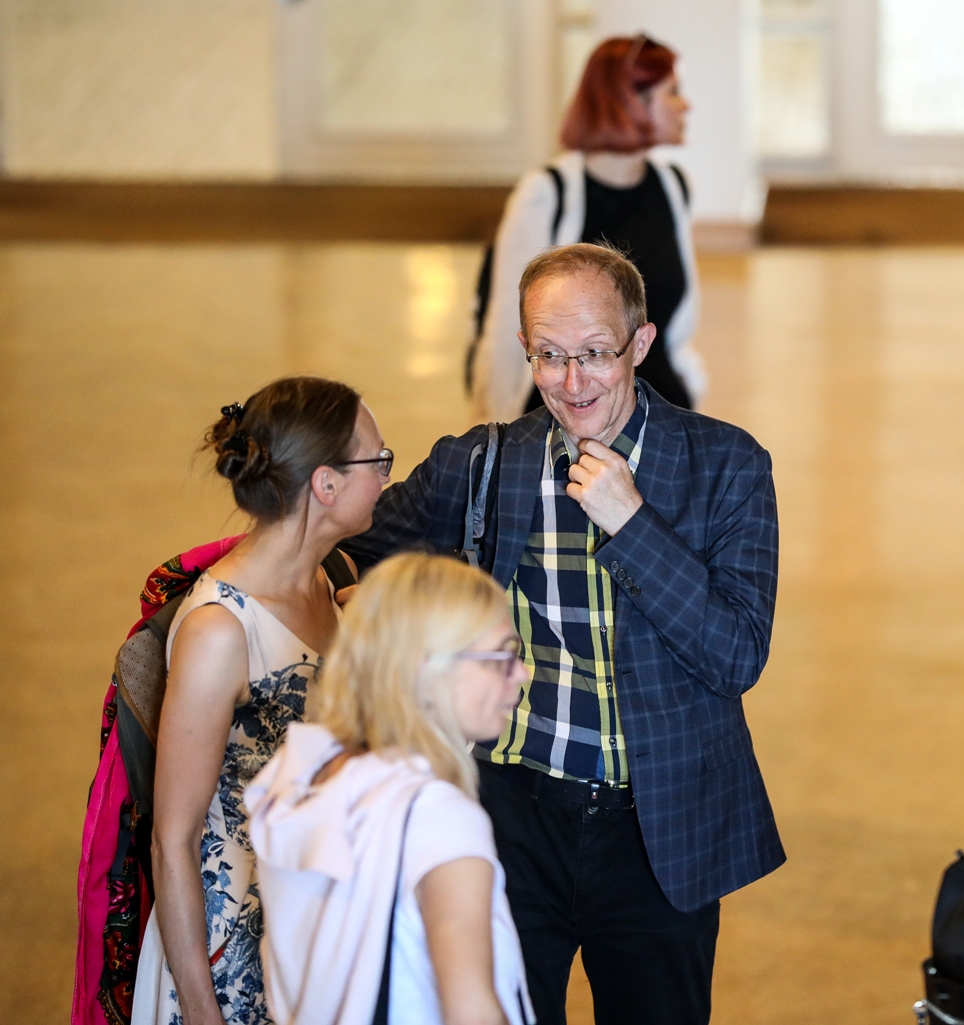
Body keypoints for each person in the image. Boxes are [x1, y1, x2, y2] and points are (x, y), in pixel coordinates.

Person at [343, 242, 783, 1025]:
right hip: (514, 817)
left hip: (658, 831)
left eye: (594, 354)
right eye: (549, 356)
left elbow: (736, 653)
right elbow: (348, 538)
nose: (572, 383)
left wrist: (632, 523)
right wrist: (233, 590)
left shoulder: (728, 466)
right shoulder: (486, 463)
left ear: (640, 344)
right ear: (525, 350)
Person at [132, 377, 390, 1025]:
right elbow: (174, 839)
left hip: (316, 927)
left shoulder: (336, 579)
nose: (388, 474)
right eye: (377, 460)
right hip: (235, 950)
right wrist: (200, 1008)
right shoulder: (220, 631)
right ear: (326, 484)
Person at [246, 553, 535, 1025]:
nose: (520, 674)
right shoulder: (437, 815)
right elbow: (472, 1011)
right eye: (501, 656)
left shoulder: (304, 770)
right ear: (427, 672)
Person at [471, 34, 704, 421]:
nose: (686, 106)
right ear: (631, 100)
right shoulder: (547, 193)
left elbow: (677, 324)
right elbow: (505, 329)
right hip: (567, 414)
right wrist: (500, 435)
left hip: (657, 413)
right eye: (673, 93)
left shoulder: (673, 186)